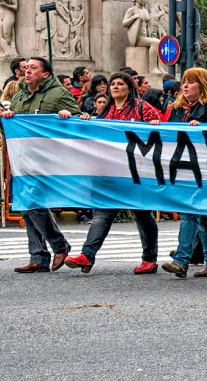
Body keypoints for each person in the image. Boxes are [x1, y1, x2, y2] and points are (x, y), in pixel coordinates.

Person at [58, 73, 162, 274]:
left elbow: (158, 132)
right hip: (110, 173)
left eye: (120, 84)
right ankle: (87, 256)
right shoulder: (106, 112)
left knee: (142, 214)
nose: (115, 87)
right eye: (112, 84)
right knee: (102, 213)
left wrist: (154, 126)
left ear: (129, 88)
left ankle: (149, 259)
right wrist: (85, 120)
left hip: (136, 173)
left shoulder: (142, 107)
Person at [0, 57, 78, 273]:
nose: (27, 71)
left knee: (32, 202)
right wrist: (5, 118)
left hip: (47, 157)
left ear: (46, 74)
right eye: (26, 68)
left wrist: (67, 115)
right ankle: (39, 256)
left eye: (33, 68)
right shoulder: (20, 94)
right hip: (23, 157)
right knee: (26, 203)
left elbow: (79, 119)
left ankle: (58, 245)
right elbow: (13, 127)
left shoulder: (58, 94)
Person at [157, 68, 207, 278]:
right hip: (184, 167)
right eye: (184, 82)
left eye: (191, 82)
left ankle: (181, 260)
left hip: (204, 168)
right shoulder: (177, 108)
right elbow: (169, 133)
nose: (185, 86)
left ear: (202, 86)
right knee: (203, 215)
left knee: (190, 211)